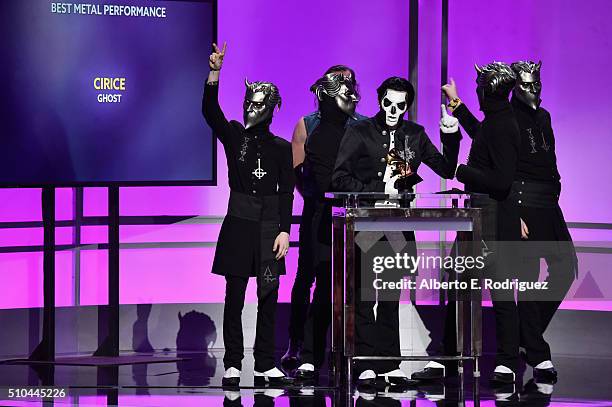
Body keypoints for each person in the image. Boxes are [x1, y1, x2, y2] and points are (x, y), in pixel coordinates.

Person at [441, 61, 576, 384]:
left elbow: (543, 157)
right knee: (521, 278)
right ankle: (527, 347)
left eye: (537, 84)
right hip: (520, 200)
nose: (534, 90)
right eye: (527, 84)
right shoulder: (506, 115)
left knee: (564, 268)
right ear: (514, 86)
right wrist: (458, 109)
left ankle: (528, 339)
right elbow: (486, 141)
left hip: (547, 202)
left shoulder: (543, 116)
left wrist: (555, 190)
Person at [331, 76, 461, 387]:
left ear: (407, 106)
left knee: (390, 297)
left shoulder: (414, 134)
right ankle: (364, 362)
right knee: (364, 296)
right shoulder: (359, 131)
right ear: (379, 101)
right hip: (366, 223)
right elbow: (338, 178)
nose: (393, 110)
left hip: (399, 226)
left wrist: (451, 134)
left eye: (400, 106)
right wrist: (378, 189)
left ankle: (389, 362)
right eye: (388, 103)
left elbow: (446, 168)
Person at [202, 42, 295, 387]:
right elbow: (210, 112)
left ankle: (265, 362)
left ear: (270, 109)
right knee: (235, 297)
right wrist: (215, 72)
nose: (250, 108)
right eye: (248, 102)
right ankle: (232, 362)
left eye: (258, 104)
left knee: (269, 297)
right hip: (239, 224)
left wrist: (285, 230)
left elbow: (287, 191)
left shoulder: (282, 148)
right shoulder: (234, 135)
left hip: (271, 226)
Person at [283, 65, 367, 366]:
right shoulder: (308, 124)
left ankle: (342, 346)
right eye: (339, 81)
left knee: (346, 281)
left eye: (350, 82)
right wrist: (322, 196)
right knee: (307, 277)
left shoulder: (363, 124)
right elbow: (298, 175)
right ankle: (297, 341)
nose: (346, 87)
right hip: (317, 210)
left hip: (353, 212)